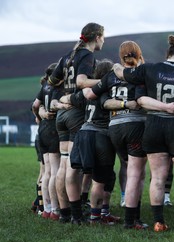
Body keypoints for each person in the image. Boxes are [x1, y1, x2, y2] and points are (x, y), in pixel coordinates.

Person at [112, 35, 174, 232]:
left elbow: (123, 74)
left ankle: (158, 222)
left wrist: (115, 65)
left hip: (154, 126)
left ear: (167, 54)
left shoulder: (150, 68)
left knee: (157, 177)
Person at [83, 41, 174, 229]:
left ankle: (104, 213)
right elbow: (147, 99)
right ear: (139, 54)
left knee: (126, 168)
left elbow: (91, 95)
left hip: (114, 128)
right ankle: (131, 220)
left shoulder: (111, 74)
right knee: (136, 174)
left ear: (121, 57)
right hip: (135, 126)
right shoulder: (141, 74)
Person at [48, 22, 105, 223]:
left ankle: (65, 214)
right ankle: (77, 216)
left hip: (62, 115)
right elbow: (81, 82)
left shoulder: (67, 56)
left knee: (64, 166)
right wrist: (105, 82)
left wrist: (63, 95)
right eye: (103, 37)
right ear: (97, 37)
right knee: (73, 169)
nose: (103, 41)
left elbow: (52, 82)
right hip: (75, 114)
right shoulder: (87, 55)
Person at [32, 63, 61, 220]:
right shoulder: (58, 89)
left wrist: (38, 116)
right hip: (53, 131)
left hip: (42, 131)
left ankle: (44, 207)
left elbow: (35, 105)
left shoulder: (44, 88)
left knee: (46, 172)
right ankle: (53, 209)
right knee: (53, 172)